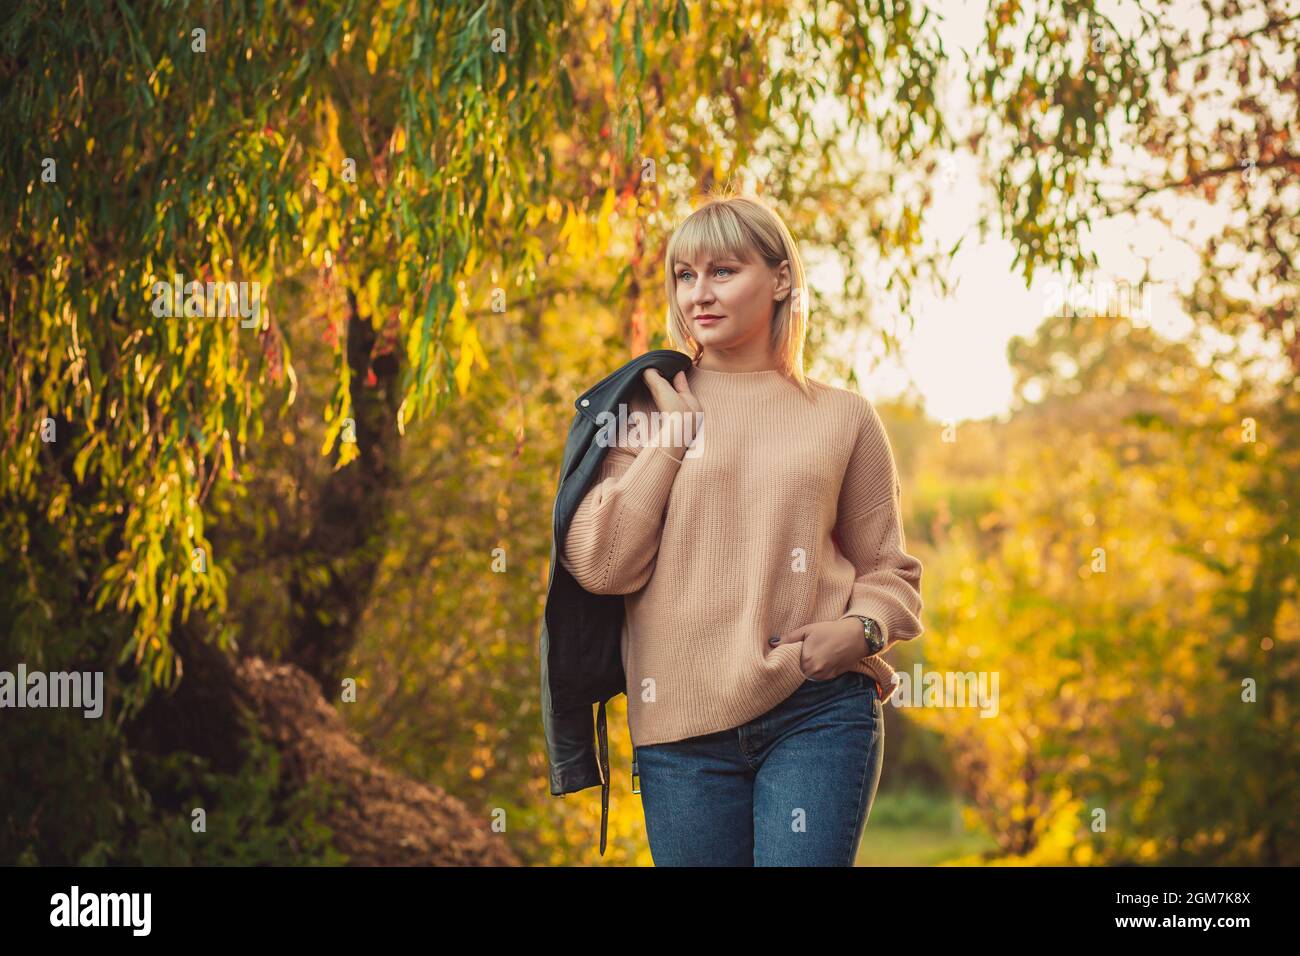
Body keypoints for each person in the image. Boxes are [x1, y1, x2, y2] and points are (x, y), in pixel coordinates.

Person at [559, 192, 924, 866]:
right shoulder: (642, 407)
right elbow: (603, 564)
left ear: (780, 278)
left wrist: (861, 630)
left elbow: (888, 569)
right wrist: (673, 434)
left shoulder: (843, 417)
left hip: (815, 711)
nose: (700, 292)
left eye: (724, 271)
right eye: (684, 274)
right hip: (679, 730)